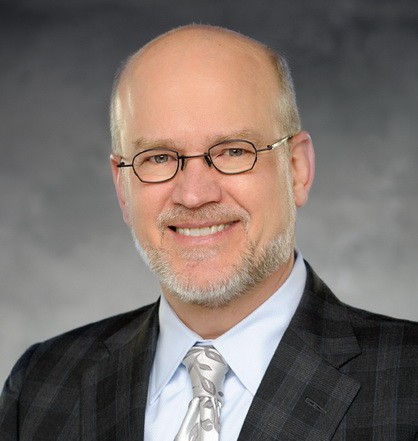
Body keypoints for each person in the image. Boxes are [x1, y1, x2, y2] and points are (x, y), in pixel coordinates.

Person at [0, 24, 417, 441]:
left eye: (234, 151)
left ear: (296, 170)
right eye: (159, 157)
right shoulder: (39, 387)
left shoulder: (408, 382)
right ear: (123, 189)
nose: (194, 195)